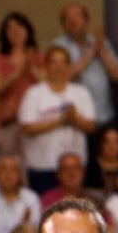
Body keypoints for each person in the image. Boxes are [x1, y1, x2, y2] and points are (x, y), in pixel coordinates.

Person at [19, 47, 96, 195]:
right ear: (46, 66)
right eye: (54, 62)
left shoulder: (81, 93)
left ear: (69, 66)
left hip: (74, 167)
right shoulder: (34, 93)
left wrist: (74, 119)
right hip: (42, 166)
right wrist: (61, 120)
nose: (58, 67)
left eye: (62, 62)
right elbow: (27, 127)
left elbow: (91, 126)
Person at [51, 3, 118, 131]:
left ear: (86, 20)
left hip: (102, 115)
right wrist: (91, 51)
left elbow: (117, 75)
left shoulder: (101, 43)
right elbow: (63, 77)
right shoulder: (58, 46)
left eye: (77, 16)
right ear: (63, 25)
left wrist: (101, 50)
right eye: (68, 18)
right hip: (74, 119)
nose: (73, 20)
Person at [0, 12, 44, 159]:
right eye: (9, 28)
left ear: (28, 30)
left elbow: (49, 85)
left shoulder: (39, 57)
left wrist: (31, 69)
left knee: (32, 160)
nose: (15, 31)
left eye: (19, 26)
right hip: (8, 120)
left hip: (34, 120)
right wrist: (17, 72)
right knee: (6, 162)